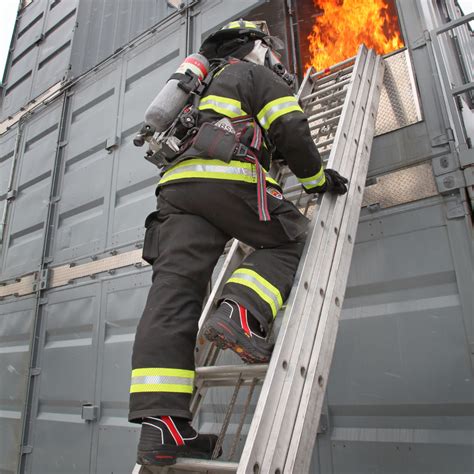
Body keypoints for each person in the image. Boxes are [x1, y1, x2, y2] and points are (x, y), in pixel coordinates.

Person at [130, 19, 348, 467]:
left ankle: (163, 427)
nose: (277, 59)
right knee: (290, 239)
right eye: (271, 49)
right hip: (228, 178)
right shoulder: (252, 73)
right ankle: (241, 314)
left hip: (176, 193)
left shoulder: (195, 88)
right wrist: (315, 179)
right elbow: (289, 126)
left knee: (173, 297)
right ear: (253, 47)